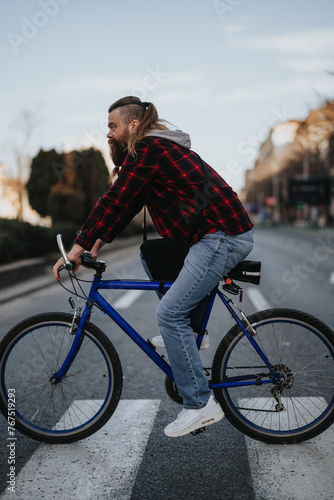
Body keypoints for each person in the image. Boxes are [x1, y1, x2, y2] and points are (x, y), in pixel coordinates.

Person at [53, 96, 254, 438]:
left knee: (168, 314)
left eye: (112, 127)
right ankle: (192, 334)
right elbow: (127, 204)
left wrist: (79, 245)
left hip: (222, 237)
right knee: (153, 252)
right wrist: (97, 243)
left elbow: (114, 198)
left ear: (133, 126)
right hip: (207, 237)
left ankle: (199, 404)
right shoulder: (152, 154)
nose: (108, 134)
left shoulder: (148, 150)